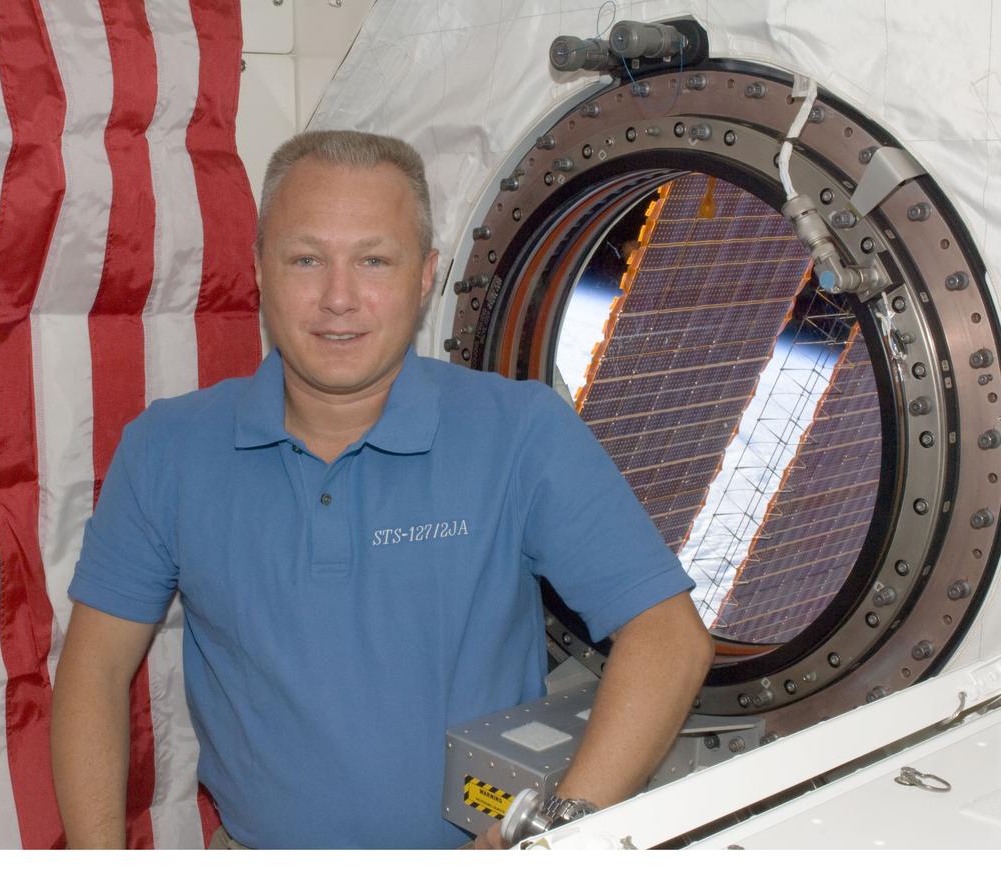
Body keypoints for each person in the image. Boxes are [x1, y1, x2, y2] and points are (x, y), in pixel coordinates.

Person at [50, 130, 714, 850]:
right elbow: (92, 672)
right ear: (260, 270)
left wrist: (554, 841)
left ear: (425, 276)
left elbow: (668, 638)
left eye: (374, 260)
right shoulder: (167, 449)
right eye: (307, 259)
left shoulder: (520, 431)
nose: (339, 298)